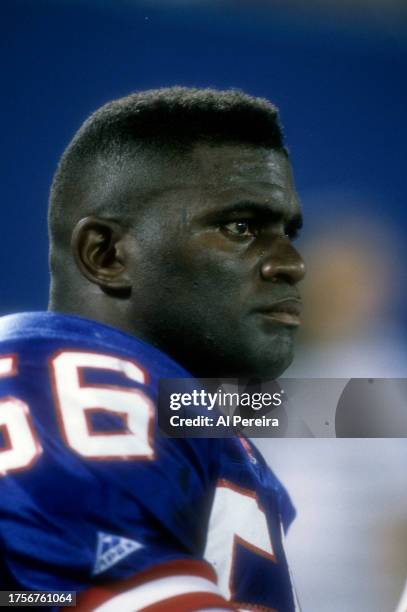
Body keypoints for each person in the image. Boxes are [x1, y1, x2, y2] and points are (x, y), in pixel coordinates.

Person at [0, 88, 305, 611]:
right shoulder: (66, 380)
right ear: (107, 254)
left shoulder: (178, 402)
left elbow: (317, 407)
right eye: (241, 227)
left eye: (288, 232)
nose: (293, 264)